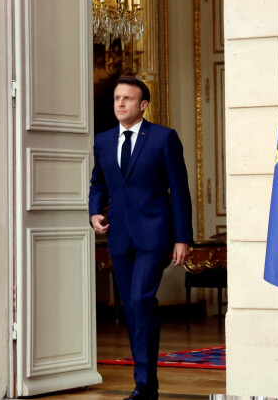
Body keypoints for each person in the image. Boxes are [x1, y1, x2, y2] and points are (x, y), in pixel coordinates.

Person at [89, 75, 193, 400]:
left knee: (140, 299)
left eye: (128, 99)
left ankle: (145, 384)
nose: (120, 104)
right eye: (118, 98)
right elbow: (98, 183)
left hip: (155, 236)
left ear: (143, 105)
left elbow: (180, 190)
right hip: (119, 238)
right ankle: (146, 385)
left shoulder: (163, 138)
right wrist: (94, 212)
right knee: (134, 308)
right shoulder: (104, 141)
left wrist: (183, 238)